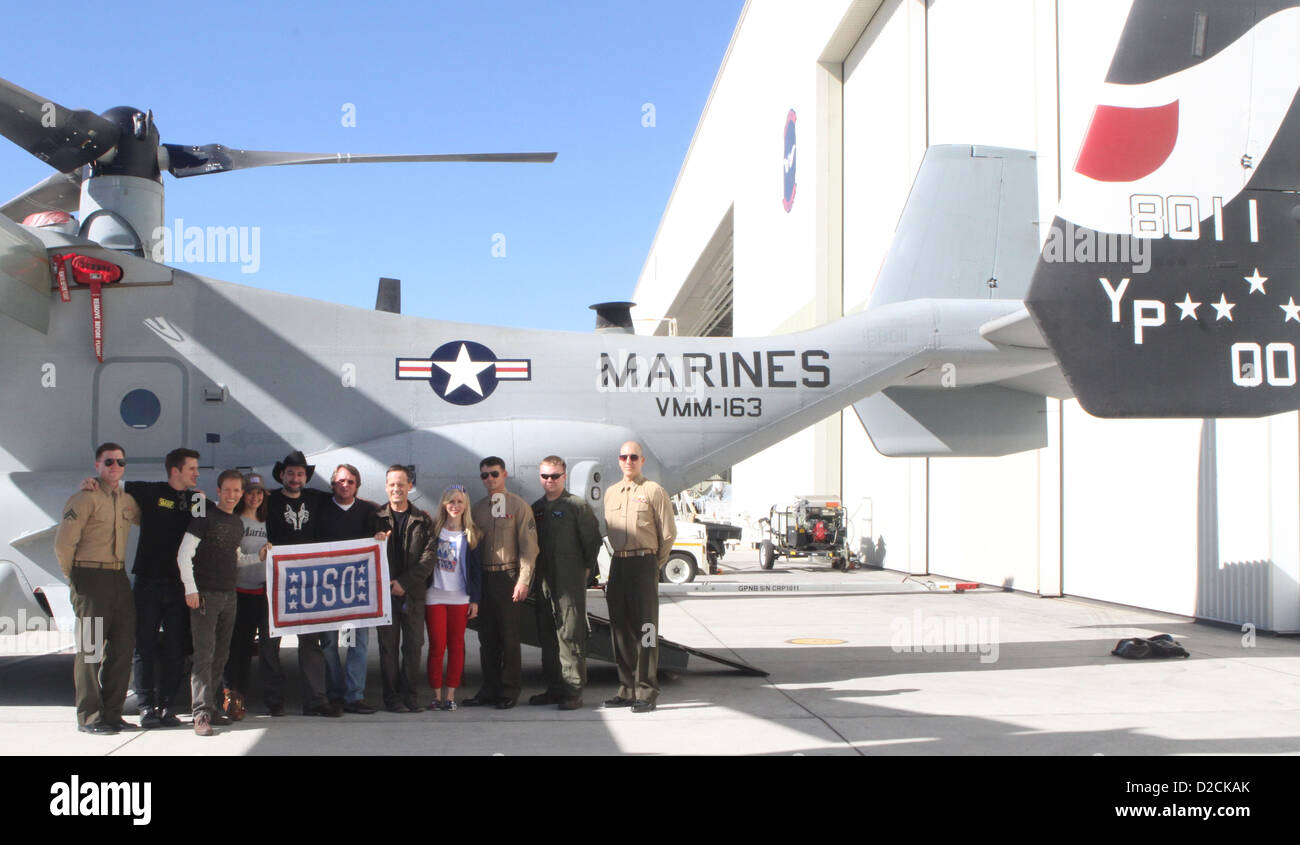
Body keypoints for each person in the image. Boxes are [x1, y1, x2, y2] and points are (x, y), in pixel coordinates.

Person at [55, 443, 140, 734]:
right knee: (91, 650)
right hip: (89, 578)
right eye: (109, 462)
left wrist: (194, 501)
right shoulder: (83, 498)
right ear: (97, 465)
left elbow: (157, 513)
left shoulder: (128, 501)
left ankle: (113, 713)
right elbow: (63, 543)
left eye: (120, 462)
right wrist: (74, 578)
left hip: (118, 578)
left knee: (123, 647)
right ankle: (89, 717)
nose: (115, 466)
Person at [123, 447, 200, 729]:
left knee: (175, 647)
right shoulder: (150, 491)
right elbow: (115, 485)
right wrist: (91, 483)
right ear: (175, 470)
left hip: (179, 584)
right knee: (143, 645)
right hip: (148, 581)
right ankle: (146, 706)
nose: (196, 473)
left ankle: (167, 705)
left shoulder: (196, 499)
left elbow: (204, 529)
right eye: (191, 468)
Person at [602, 441, 675, 713]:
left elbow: (667, 534)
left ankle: (646, 690)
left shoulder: (653, 491)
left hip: (644, 563)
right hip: (618, 564)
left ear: (642, 461)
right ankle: (626, 689)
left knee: (646, 630)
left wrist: (653, 565)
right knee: (620, 630)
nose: (628, 461)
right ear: (618, 461)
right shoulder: (610, 494)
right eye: (624, 457)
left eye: (633, 457)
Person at [265, 450, 336, 717]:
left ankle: (316, 700)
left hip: (308, 581)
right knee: (271, 642)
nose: (295, 478)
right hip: (276, 580)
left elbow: (349, 501)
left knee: (310, 642)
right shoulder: (268, 501)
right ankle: (274, 699)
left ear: (306, 477)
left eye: (300, 474)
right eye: (291, 473)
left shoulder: (316, 499)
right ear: (282, 475)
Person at [178, 470, 247, 736]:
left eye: (236, 490)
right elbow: (184, 555)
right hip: (205, 595)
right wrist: (190, 589)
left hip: (230, 596)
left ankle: (212, 706)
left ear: (241, 494)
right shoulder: (203, 517)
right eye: (227, 490)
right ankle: (200, 714)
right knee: (204, 656)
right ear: (218, 491)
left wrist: (260, 557)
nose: (232, 495)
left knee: (221, 655)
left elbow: (237, 558)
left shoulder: (238, 523)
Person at [465, 457, 537, 709]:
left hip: (508, 578)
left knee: (509, 638)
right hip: (485, 579)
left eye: (494, 474)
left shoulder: (518, 507)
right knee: (487, 639)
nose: (490, 479)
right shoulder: (477, 508)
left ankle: (509, 691)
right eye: (484, 475)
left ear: (504, 474)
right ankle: (489, 689)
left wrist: (523, 581)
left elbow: (529, 548)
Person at [529, 456, 600, 711]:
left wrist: (584, 573)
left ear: (564, 476)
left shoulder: (576, 506)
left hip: (569, 582)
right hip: (545, 583)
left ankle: (573, 690)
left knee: (570, 634)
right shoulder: (536, 508)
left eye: (555, 476)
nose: (550, 480)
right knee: (547, 636)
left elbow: (592, 542)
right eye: (545, 476)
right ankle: (554, 687)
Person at [316, 464, 380, 714]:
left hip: (357, 592)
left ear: (357, 485)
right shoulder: (321, 509)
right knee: (329, 644)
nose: (345, 485)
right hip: (327, 589)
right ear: (333, 484)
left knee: (357, 643)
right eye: (340, 481)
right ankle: (334, 693)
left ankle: (355, 695)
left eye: (350, 481)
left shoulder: (368, 511)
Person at [373, 465, 437, 713]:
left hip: (412, 595)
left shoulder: (423, 520)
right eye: (392, 484)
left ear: (410, 486)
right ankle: (392, 698)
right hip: (385, 594)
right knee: (387, 648)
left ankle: (410, 696)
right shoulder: (375, 519)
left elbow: (429, 558)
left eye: (401, 484)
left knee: (413, 647)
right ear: (386, 487)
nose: (396, 489)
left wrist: (404, 583)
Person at [226, 473, 282, 716]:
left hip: (263, 592)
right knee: (238, 648)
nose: (255, 497)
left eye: (259, 493)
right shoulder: (236, 521)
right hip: (240, 592)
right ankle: (233, 695)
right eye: (250, 492)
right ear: (242, 495)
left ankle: (266, 697)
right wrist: (256, 557)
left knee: (268, 650)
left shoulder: (268, 523)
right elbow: (232, 560)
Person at [424, 485, 482, 710]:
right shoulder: (434, 531)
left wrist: (474, 600)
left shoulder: (471, 534)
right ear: (444, 504)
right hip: (435, 595)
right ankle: (436, 695)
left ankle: (450, 696)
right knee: (437, 647)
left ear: (465, 505)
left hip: (460, 597)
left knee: (456, 646)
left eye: (459, 502)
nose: (455, 506)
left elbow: (476, 572)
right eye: (451, 502)